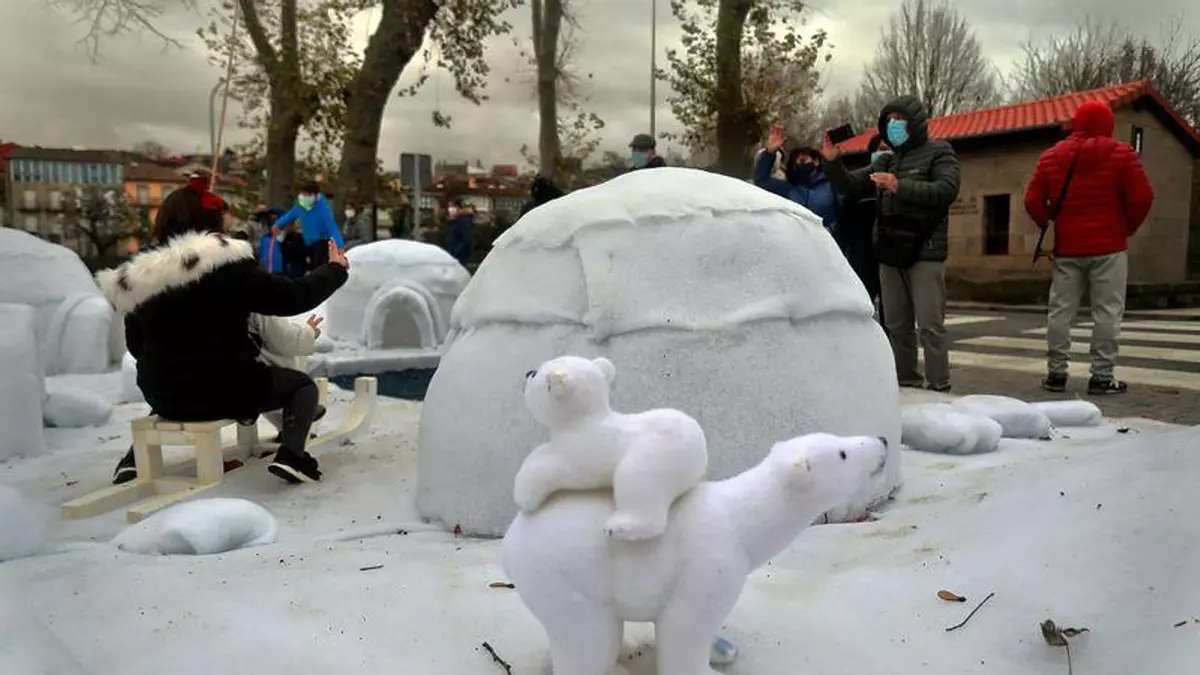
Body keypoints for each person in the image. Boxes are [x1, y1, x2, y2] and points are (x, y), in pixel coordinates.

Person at [97, 178, 350, 485]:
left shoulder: (140, 278)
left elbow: (136, 346)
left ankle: (133, 461)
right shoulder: (227, 265)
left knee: (175, 386)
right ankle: (292, 456)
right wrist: (334, 270)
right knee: (302, 387)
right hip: (229, 390)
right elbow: (292, 297)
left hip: (163, 395)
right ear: (211, 222)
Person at [823, 96, 961, 392]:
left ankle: (939, 384)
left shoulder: (940, 152)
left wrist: (899, 185)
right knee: (897, 325)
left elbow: (946, 190)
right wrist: (833, 162)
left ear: (915, 122)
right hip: (889, 250)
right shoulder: (886, 159)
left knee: (930, 325)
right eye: (889, 120)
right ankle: (905, 382)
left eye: (899, 119)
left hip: (925, 251)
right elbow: (849, 185)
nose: (893, 125)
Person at [1024, 100, 1154, 395]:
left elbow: (1032, 200)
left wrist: (1051, 225)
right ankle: (1102, 377)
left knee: (1060, 311)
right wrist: (1126, 227)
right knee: (1107, 312)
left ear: (1076, 123)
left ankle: (1056, 374)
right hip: (1109, 247)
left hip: (1067, 248)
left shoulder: (1051, 156)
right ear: (1108, 124)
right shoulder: (1123, 154)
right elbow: (1143, 197)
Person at [836, 134, 891, 330]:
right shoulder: (860, 184)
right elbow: (844, 222)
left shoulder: (900, 185)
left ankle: (890, 345)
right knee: (861, 309)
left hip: (892, 257)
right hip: (862, 256)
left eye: (889, 149)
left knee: (892, 314)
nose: (885, 154)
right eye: (881, 149)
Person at [754, 128, 841, 234]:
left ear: (816, 161)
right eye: (795, 164)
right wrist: (770, 152)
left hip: (831, 240)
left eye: (803, 160)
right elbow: (761, 180)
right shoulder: (789, 189)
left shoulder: (832, 184)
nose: (799, 165)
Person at [274, 181, 345, 270]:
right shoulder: (300, 204)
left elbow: (332, 227)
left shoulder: (323, 208)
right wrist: (277, 224)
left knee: (318, 266)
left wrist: (340, 246)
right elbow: (290, 215)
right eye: (303, 194)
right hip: (308, 241)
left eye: (308, 194)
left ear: (316, 196)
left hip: (321, 241)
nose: (305, 197)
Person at [443, 198, 476, 267]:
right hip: (452, 252)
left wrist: (456, 251)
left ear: (458, 207)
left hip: (459, 254)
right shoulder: (453, 220)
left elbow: (466, 238)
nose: (450, 209)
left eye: (452, 206)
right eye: (449, 206)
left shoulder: (464, 220)